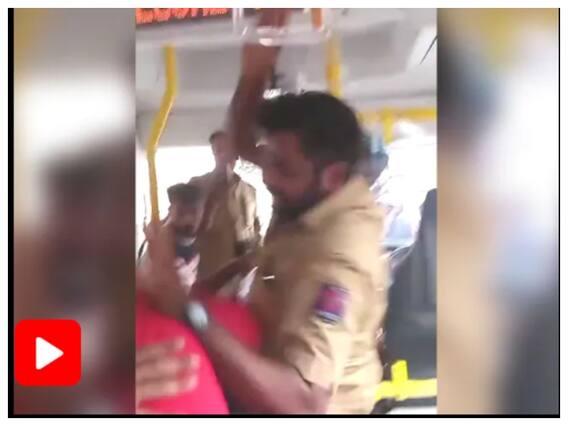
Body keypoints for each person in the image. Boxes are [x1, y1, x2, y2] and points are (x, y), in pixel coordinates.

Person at [142, 9, 387, 414]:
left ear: (334, 175)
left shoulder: (338, 261)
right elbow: (242, 143)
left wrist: (186, 308)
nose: (267, 176)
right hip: (266, 354)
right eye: (268, 161)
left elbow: (306, 401)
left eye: (281, 168)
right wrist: (256, 68)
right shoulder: (310, 184)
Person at [189, 130, 261, 283]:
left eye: (227, 149)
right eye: (218, 150)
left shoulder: (250, 191)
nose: (222, 155)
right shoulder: (197, 185)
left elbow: (255, 229)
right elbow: (186, 229)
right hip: (209, 275)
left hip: (243, 278)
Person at [138, 183, 204, 292]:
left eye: (193, 212)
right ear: (170, 210)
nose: (188, 219)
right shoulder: (160, 239)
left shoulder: (185, 249)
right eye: (181, 212)